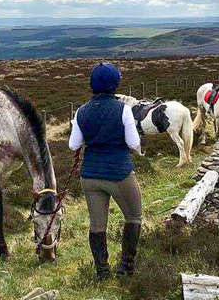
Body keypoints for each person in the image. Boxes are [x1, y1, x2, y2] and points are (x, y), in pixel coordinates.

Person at [69, 62, 142, 280]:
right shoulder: (124, 110)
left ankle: (102, 271)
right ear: (115, 84)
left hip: (90, 176)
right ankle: (125, 267)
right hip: (119, 173)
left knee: (97, 224)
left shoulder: (81, 111)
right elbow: (133, 142)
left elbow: (74, 145)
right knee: (134, 217)